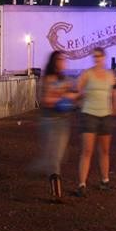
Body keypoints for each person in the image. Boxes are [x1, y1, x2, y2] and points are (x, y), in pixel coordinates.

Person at [33, 51, 78, 202]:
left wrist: (69, 97)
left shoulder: (65, 79)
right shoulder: (48, 79)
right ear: (54, 61)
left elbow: (74, 95)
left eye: (64, 59)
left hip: (63, 122)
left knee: (59, 156)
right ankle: (56, 194)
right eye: (60, 59)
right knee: (55, 158)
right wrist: (64, 98)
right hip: (50, 122)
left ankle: (41, 166)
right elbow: (46, 100)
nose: (63, 62)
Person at [74, 47, 116, 196]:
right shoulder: (87, 74)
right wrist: (81, 105)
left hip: (105, 115)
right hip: (89, 115)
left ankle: (105, 181)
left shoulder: (110, 75)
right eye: (95, 56)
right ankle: (81, 184)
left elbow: (115, 92)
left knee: (105, 151)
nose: (97, 59)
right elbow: (78, 92)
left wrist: (115, 107)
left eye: (99, 56)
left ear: (104, 57)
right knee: (87, 150)